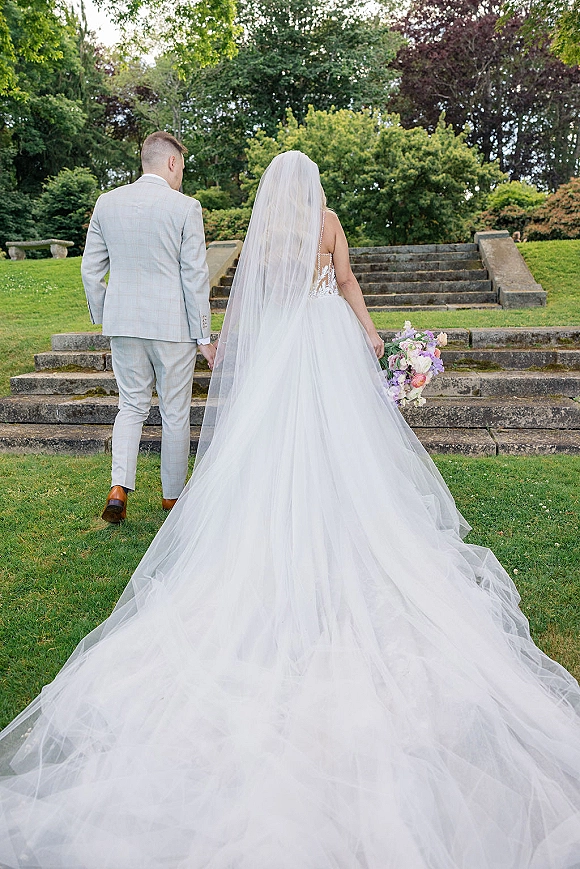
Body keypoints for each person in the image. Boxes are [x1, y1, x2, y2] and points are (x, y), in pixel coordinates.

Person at [1, 151, 579, 868]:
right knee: (345, 449)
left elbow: (248, 299)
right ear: (315, 190)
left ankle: (255, 523)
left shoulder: (267, 230)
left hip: (283, 348)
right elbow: (346, 283)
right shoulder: (329, 222)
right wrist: (369, 334)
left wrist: (232, 349)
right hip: (327, 342)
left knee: (272, 448)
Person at [81, 131, 216, 523]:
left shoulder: (107, 203)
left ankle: (118, 487)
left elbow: (91, 270)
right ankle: (172, 498)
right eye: (182, 169)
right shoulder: (186, 207)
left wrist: (108, 314)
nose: (182, 178)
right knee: (174, 412)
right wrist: (203, 336)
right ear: (172, 162)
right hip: (172, 326)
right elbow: (194, 277)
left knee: (131, 406)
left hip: (123, 324)